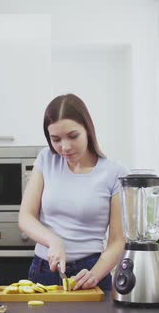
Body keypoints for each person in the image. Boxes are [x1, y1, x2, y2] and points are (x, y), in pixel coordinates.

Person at [18, 93, 129, 292]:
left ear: (88, 129)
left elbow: (117, 240)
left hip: (91, 272)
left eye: (72, 136)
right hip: (43, 271)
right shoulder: (46, 159)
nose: (65, 147)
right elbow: (25, 217)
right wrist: (53, 240)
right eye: (56, 139)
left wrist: (95, 275)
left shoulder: (115, 173)